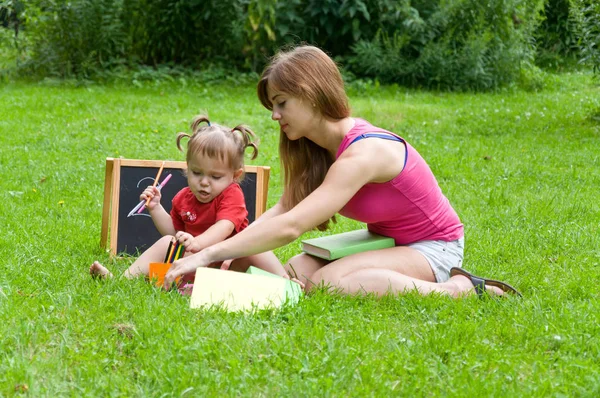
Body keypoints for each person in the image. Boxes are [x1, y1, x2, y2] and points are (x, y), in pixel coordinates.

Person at [164, 46, 521, 298]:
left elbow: (291, 226)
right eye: (273, 105)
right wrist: (225, 255)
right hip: (389, 242)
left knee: (326, 284)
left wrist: (208, 253)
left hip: (434, 247)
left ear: (313, 94)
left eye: (282, 103)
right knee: (294, 274)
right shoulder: (316, 148)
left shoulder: (364, 152)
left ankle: (458, 290)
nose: (275, 115)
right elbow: (284, 209)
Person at [90, 115, 287, 283]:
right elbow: (174, 233)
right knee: (168, 241)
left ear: (235, 176)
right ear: (187, 167)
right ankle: (122, 279)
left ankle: (286, 281)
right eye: (196, 172)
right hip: (191, 267)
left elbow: (224, 227)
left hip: (229, 265)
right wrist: (156, 208)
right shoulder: (183, 197)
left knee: (255, 246)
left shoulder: (232, 194)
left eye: (215, 177)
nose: (204, 182)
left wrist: (198, 244)